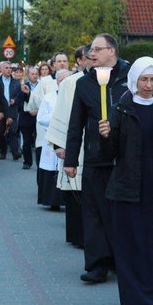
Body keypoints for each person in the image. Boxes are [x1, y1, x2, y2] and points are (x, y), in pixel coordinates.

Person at [98, 57, 153, 305]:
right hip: (128, 189)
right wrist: (105, 136)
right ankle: (136, 296)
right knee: (131, 246)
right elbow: (109, 156)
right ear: (134, 80)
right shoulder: (121, 109)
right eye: (144, 79)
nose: (148, 85)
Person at [64, 34, 130, 283]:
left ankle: (122, 260)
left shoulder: (129, 79)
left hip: (124, 159)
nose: (92, 53)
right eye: (91, 49)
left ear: (111, 51)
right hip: (95, 157)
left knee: (120, 214)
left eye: (97, 49)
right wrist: (71, 160)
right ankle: (97, 264)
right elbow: (76, 123)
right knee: (93, 213)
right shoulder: (85, 83)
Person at [45, 46, 92, 248]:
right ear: (82, 60)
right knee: (76, 191)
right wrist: (58, 144)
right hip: (75, 142)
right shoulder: (72, 82)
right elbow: (61, 113)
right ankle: (77, 235)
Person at [36, 69, 71, 209]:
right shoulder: (49, 97)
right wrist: (57, 117)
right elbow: (41, 118)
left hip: (70, 139)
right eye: (61, 81)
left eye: (66, 81)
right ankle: (53, 201)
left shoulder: (76, 97)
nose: (63, 84)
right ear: (57, 82)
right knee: (52, 167)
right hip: (52, 138)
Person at [0, 61, 22, 160]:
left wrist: (15, 100)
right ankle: (3, 152)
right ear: (1, 69)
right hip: (1, 111)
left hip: (12, 110)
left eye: (10, 68)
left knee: (13, 131)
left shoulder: (16, 83)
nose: (9, 70)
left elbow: (20, 96)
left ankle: (15, 152)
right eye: (6, 68)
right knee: (1, 132)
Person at [18, 66, 40, 170]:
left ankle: (40, 161)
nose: (34, 76)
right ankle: (27, 161)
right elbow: (20, 101)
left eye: (36, 74)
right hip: (26, 117)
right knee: (26, 141)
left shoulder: (41, 86)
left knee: (38, 140)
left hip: (39, 116)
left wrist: (37, 111)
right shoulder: (23, 86)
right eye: (32, 74)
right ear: (28, 75)